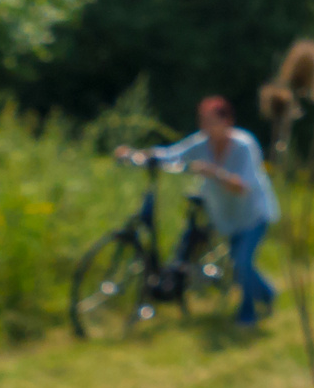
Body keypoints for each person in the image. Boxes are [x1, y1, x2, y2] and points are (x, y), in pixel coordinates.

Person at [118, 96, 279, 327]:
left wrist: (214, 172)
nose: (206, 127)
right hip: (228, 217)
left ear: (227, 121)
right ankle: (269, 294)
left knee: (242, 263)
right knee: (239, 263)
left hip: (254, 215)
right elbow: (172, 154)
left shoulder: (244, 145)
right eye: (203, 121)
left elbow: (244, 187)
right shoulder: (201, 143)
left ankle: (248, 313)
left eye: (211, 121)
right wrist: (137, 155)